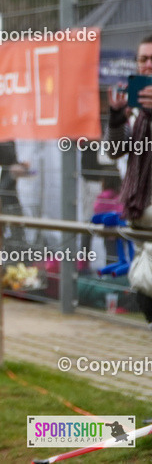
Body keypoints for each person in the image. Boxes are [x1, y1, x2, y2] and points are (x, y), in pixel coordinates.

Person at [107, 33, 152, 330]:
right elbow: (116, 150)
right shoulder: (140, 110)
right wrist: (116, 118)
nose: (146, 66)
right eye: (142, 59)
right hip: (142, 222)